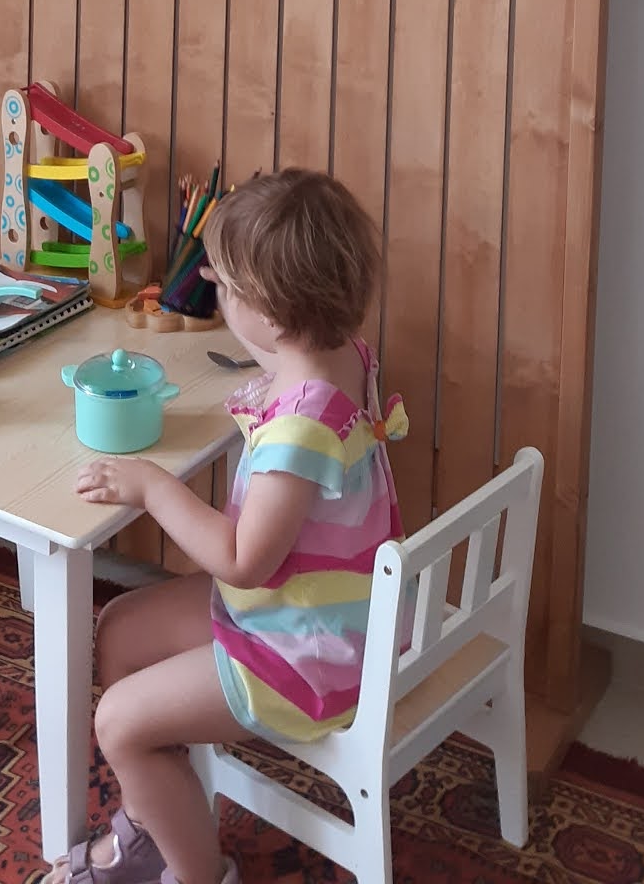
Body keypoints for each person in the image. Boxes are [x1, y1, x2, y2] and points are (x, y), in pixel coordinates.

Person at [46, 167, 408, 884]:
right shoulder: (339, 353)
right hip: (308, 609)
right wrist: (240, 289)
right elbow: (276, 349)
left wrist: (152, 487)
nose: (215, 292)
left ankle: (198, 873)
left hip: (302, 651)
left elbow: (243, 560)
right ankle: (157, 813)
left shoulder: (300, 428)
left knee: (117, 721)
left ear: (272, 313)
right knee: (119, 629)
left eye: (225, 288)